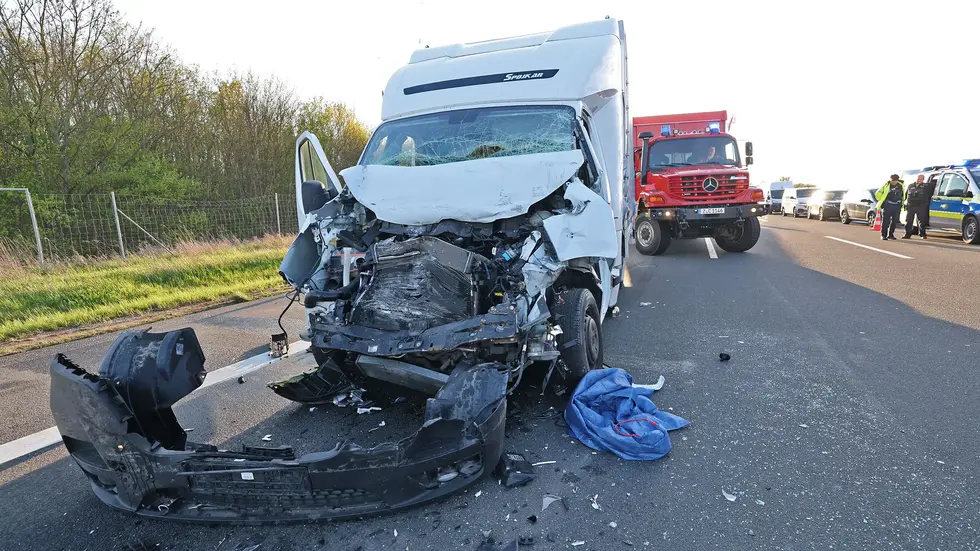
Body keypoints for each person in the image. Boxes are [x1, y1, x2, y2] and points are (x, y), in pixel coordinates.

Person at [875, 174, 904, 240]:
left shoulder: (901, 185)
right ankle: (883, 235)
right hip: (888, 205)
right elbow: (877, 194)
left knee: (894, 221)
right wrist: (882, 200)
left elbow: (903, 194)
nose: (893, 182)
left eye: (895, 180)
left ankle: (891, 235)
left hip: (897, 205)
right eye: (892, 180)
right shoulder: (886, 185)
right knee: (885, 221)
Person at [902, 174, 929, 240]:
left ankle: (922, 234)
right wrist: (904, 203)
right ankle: (907, 234)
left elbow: (928, 196)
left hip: (921, 206)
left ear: (923, 180)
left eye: (920, 179)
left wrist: (925, 204)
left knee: (922, 221)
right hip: (911, 206)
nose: (918, 180)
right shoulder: (910, 186)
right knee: (908, 221)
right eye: (918, 178)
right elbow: (905, 195)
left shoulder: (925, 187)